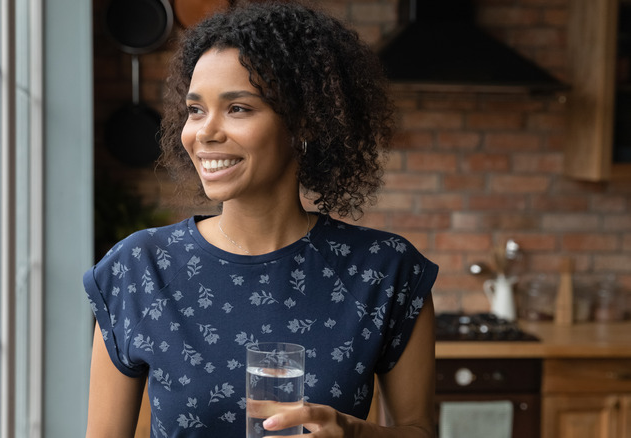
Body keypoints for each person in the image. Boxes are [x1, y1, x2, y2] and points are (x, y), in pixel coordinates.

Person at [83, 1, 438, 437]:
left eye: (238, 108)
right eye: (196, 110)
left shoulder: (385, 269)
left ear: (304, 123)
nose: (205, 132)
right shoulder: (139, 268)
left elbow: (419, 431)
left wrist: (354, 432)